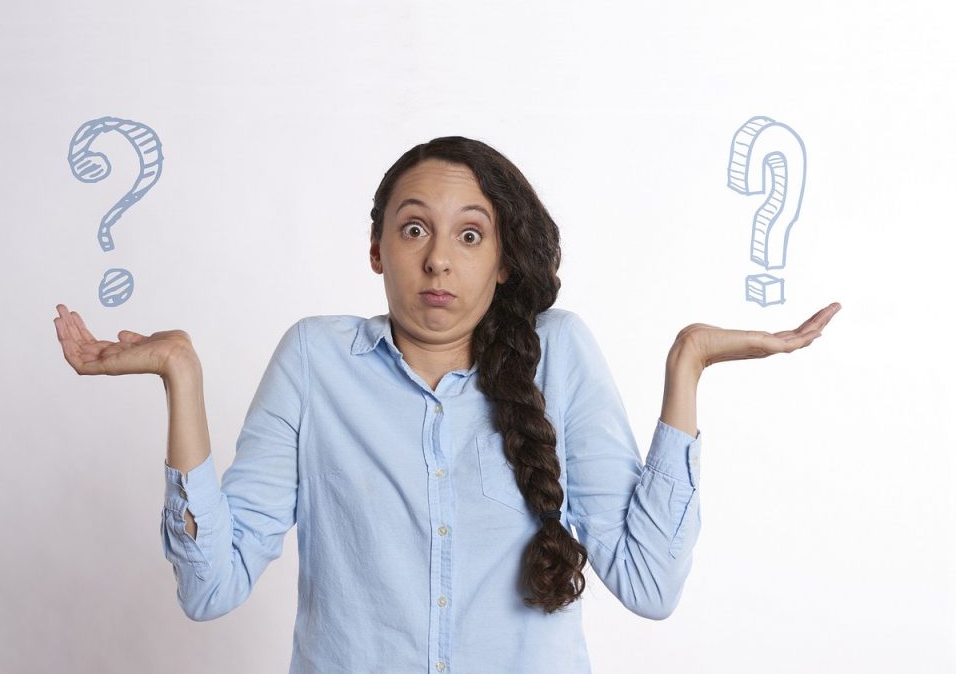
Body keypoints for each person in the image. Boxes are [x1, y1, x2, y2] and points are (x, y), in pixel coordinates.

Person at [53, 135, 841, 673]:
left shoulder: (558, 352)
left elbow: (649, 583)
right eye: (413, 229)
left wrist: (687, 369)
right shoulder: (314, 361)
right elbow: (208, 586)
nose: (437, 258)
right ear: (375, 250)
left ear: (503, 260)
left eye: (470, 235)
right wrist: (180, 380)